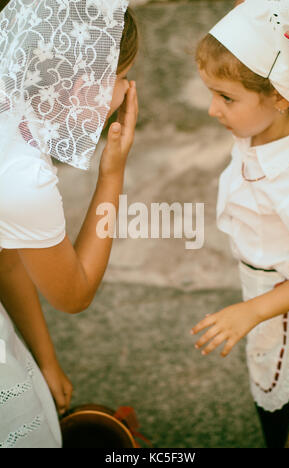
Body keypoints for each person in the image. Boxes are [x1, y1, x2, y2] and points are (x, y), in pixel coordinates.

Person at [0, 0, 138, 448]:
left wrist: (46, 357)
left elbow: (6, 260)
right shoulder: (23, 177)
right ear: (85, 84)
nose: (125, 90)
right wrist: (113, 173)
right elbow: (74, 294)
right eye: (120, 77)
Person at [190, 0, 289, 448]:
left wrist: (253, 311)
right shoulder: (257, 132)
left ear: (279, 95)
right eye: (211, 93)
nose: (213, 110)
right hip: (261, 298)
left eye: (227, 97)